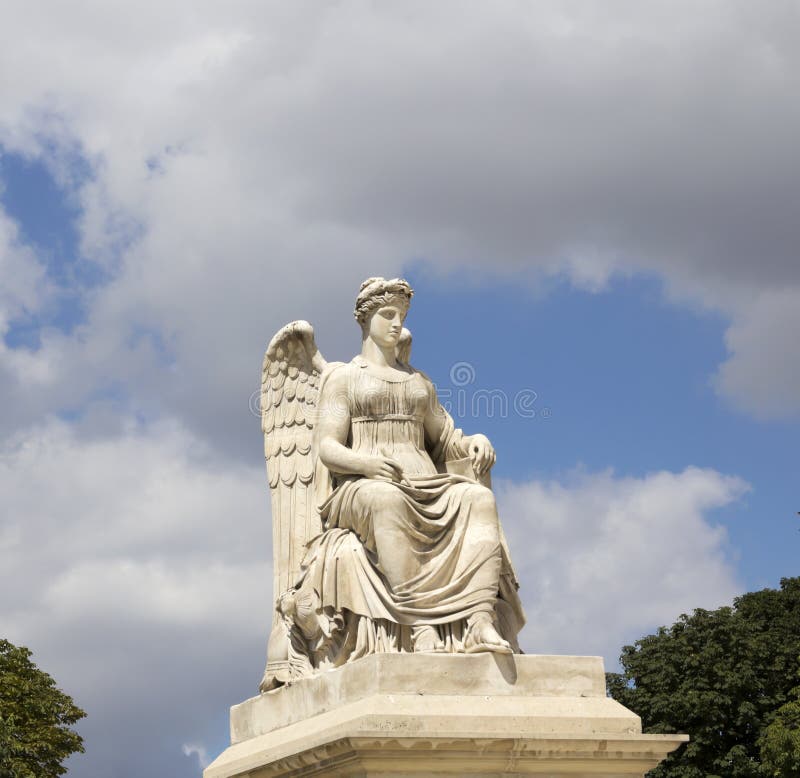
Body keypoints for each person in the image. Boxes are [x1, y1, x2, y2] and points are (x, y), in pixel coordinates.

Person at [273, 277, 523, 682]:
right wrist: (367, 465)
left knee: (479, 501)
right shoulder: (343, 378)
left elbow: (445, 440)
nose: (395, 323)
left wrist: (477, 440)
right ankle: (421, 623)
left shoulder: (419, 382)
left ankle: (479, 622)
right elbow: (328, 447)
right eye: (386, 315)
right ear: (366, 320)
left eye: (401, 316)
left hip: (425, 480)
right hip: (362, 484)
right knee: (385, 500)